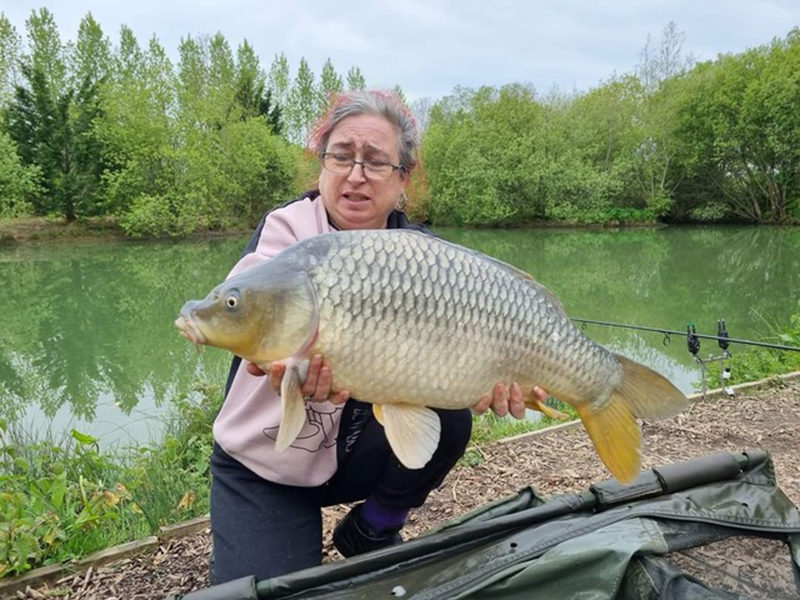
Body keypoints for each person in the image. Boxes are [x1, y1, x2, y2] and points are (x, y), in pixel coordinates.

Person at [209, 89, 548, 584]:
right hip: (264, 466)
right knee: (268, 592)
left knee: (451, 416)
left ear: (402, 179)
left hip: (351, 448)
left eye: (375, 161)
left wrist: (500, 378)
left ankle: (371, 528)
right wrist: (269, 352)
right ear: (322, 163)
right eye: (342, 156)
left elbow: (472, 349)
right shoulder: (286, 234)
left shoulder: (424, 258)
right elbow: (254, 299)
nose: (356, 174)